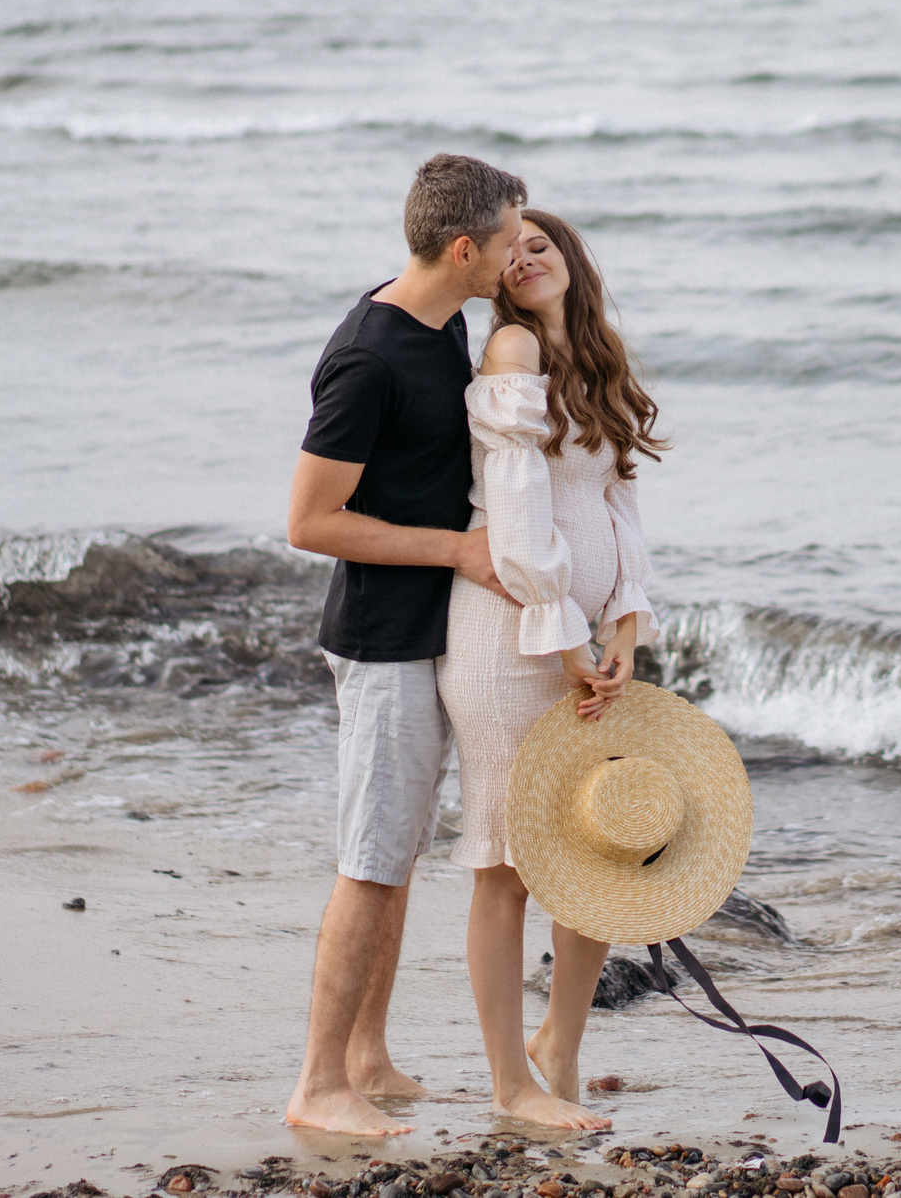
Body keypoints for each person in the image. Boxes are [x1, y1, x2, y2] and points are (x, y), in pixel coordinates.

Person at [281, 152, 527, 1138]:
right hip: (380, 639)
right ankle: (316, 1084)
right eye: (509, 239)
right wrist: (459, 551)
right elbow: (308, 520)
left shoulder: (446, 318)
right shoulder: (370, 358)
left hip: (421, 628)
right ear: (463, 246)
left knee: (394, 856)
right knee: (371, 860)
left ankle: (366, 1056)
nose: (517, 255)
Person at [439, 208, 667, 1131]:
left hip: (587, 645)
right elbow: (519, 518)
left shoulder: (599, 359)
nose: (528, 254)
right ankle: (509, 1085)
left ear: (569, 259)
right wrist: (567, 639)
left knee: (598, 851)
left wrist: (630, 622)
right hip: (510, 643)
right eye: (513, 248)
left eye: (543, 242)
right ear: (494, 274)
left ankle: (559, 1046)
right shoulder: (512, 357)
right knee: (508, 868)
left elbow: (619, 505)